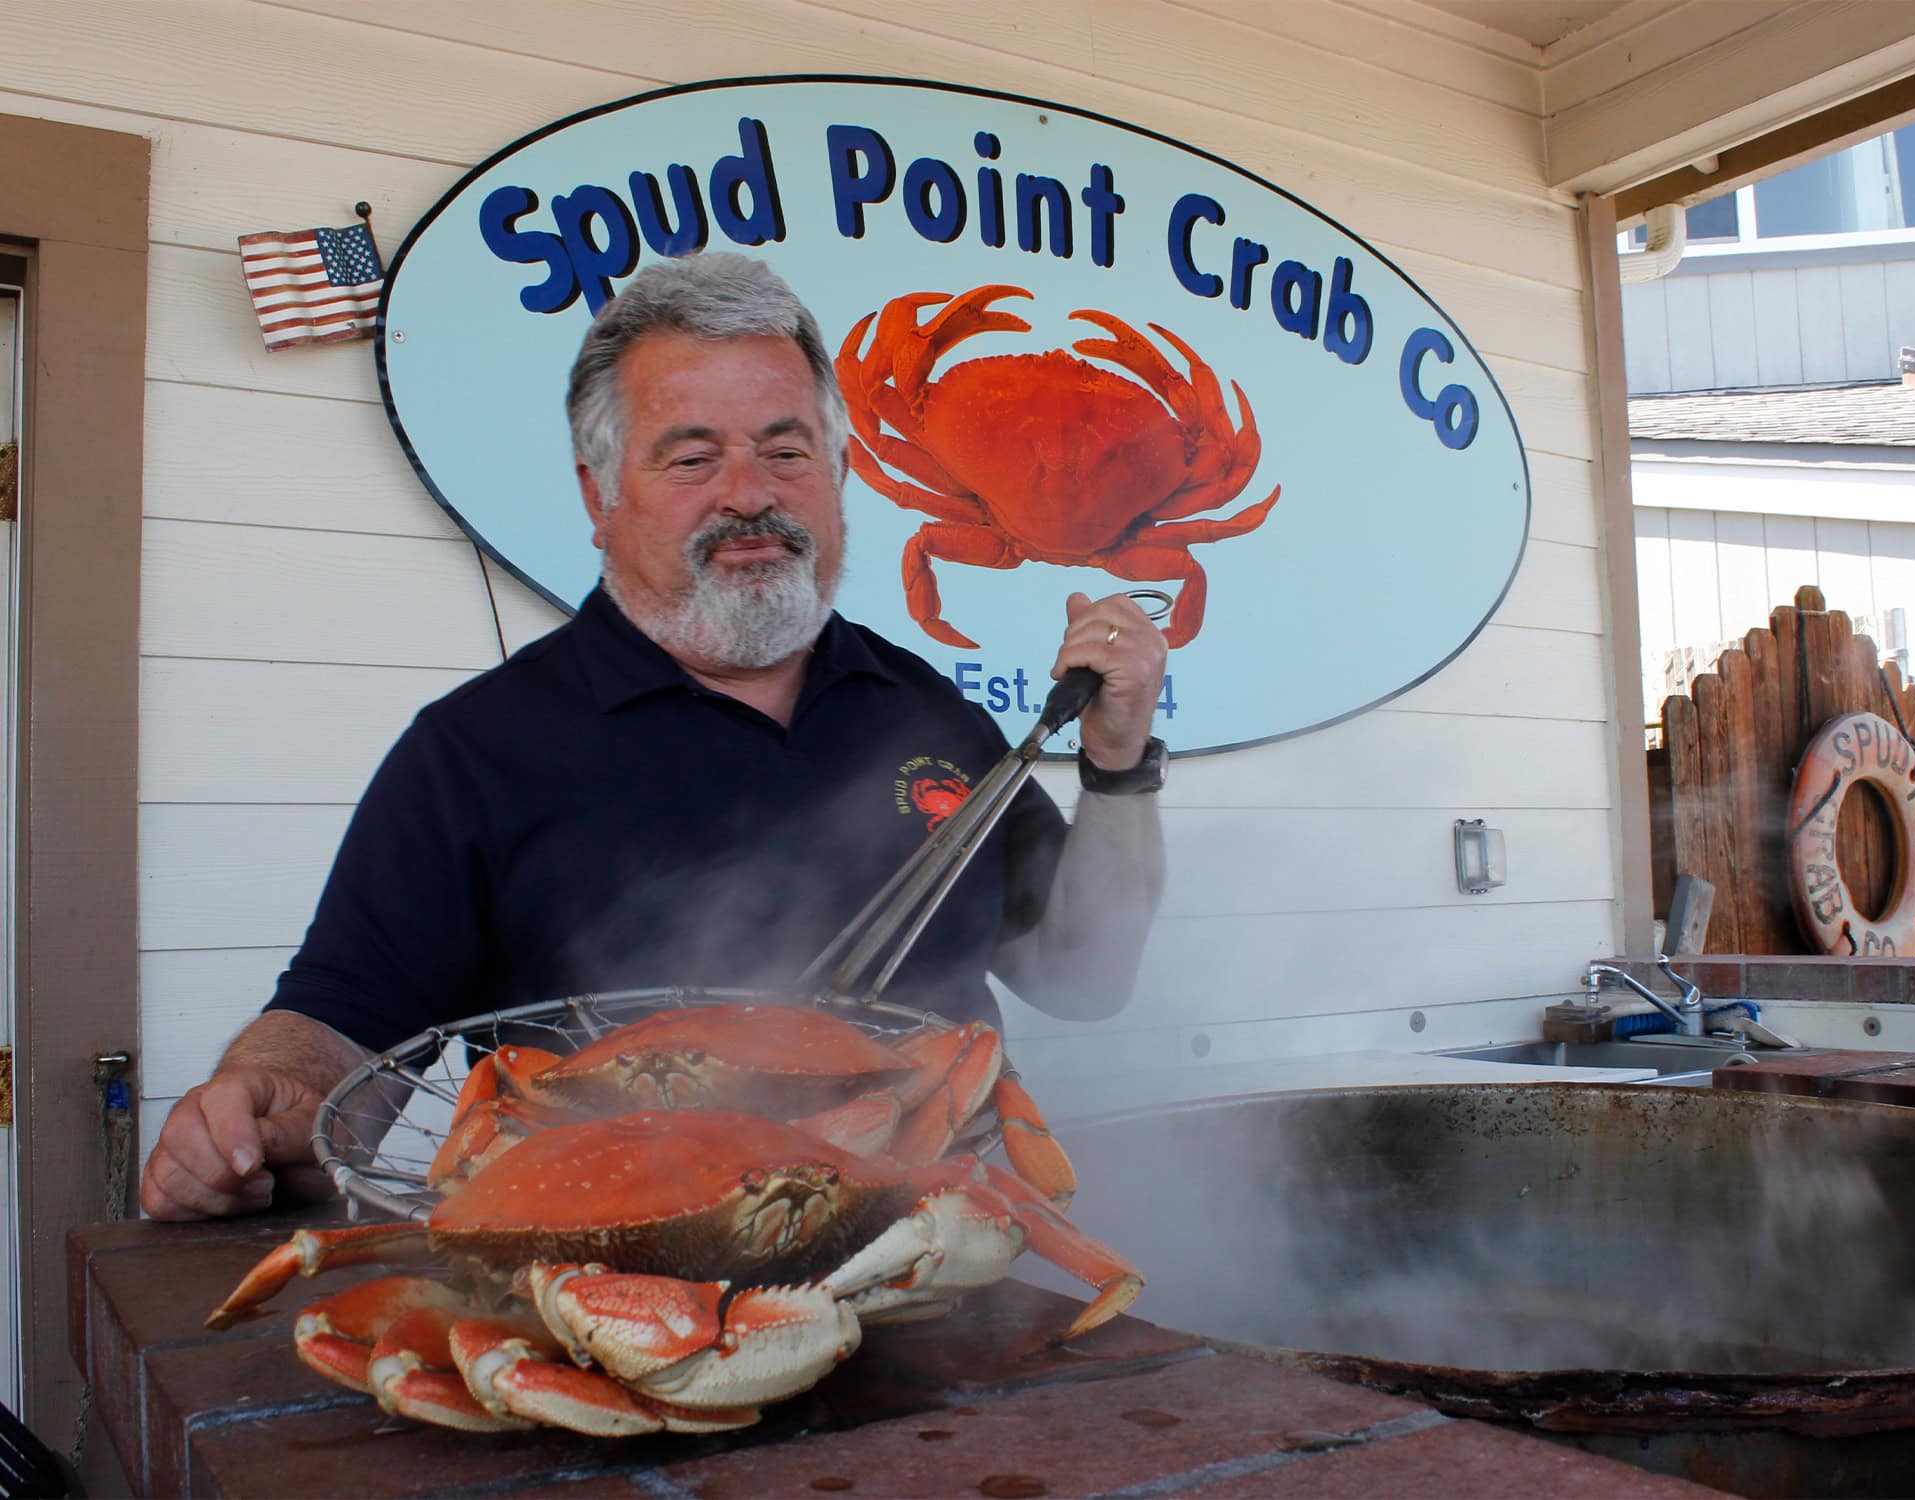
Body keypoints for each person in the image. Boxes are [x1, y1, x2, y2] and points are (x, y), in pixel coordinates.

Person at [140, 252, 1169, 1221]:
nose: (749, 492)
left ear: (841, 474)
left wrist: (1120, 769)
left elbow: (1084, 978)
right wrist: (258, 1099)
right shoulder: (475, 752)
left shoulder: (931, 714)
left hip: (946, 1261)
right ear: (600, 495)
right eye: (691, 457)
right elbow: (336, 1030)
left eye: (785, 449)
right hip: (621, 1279)